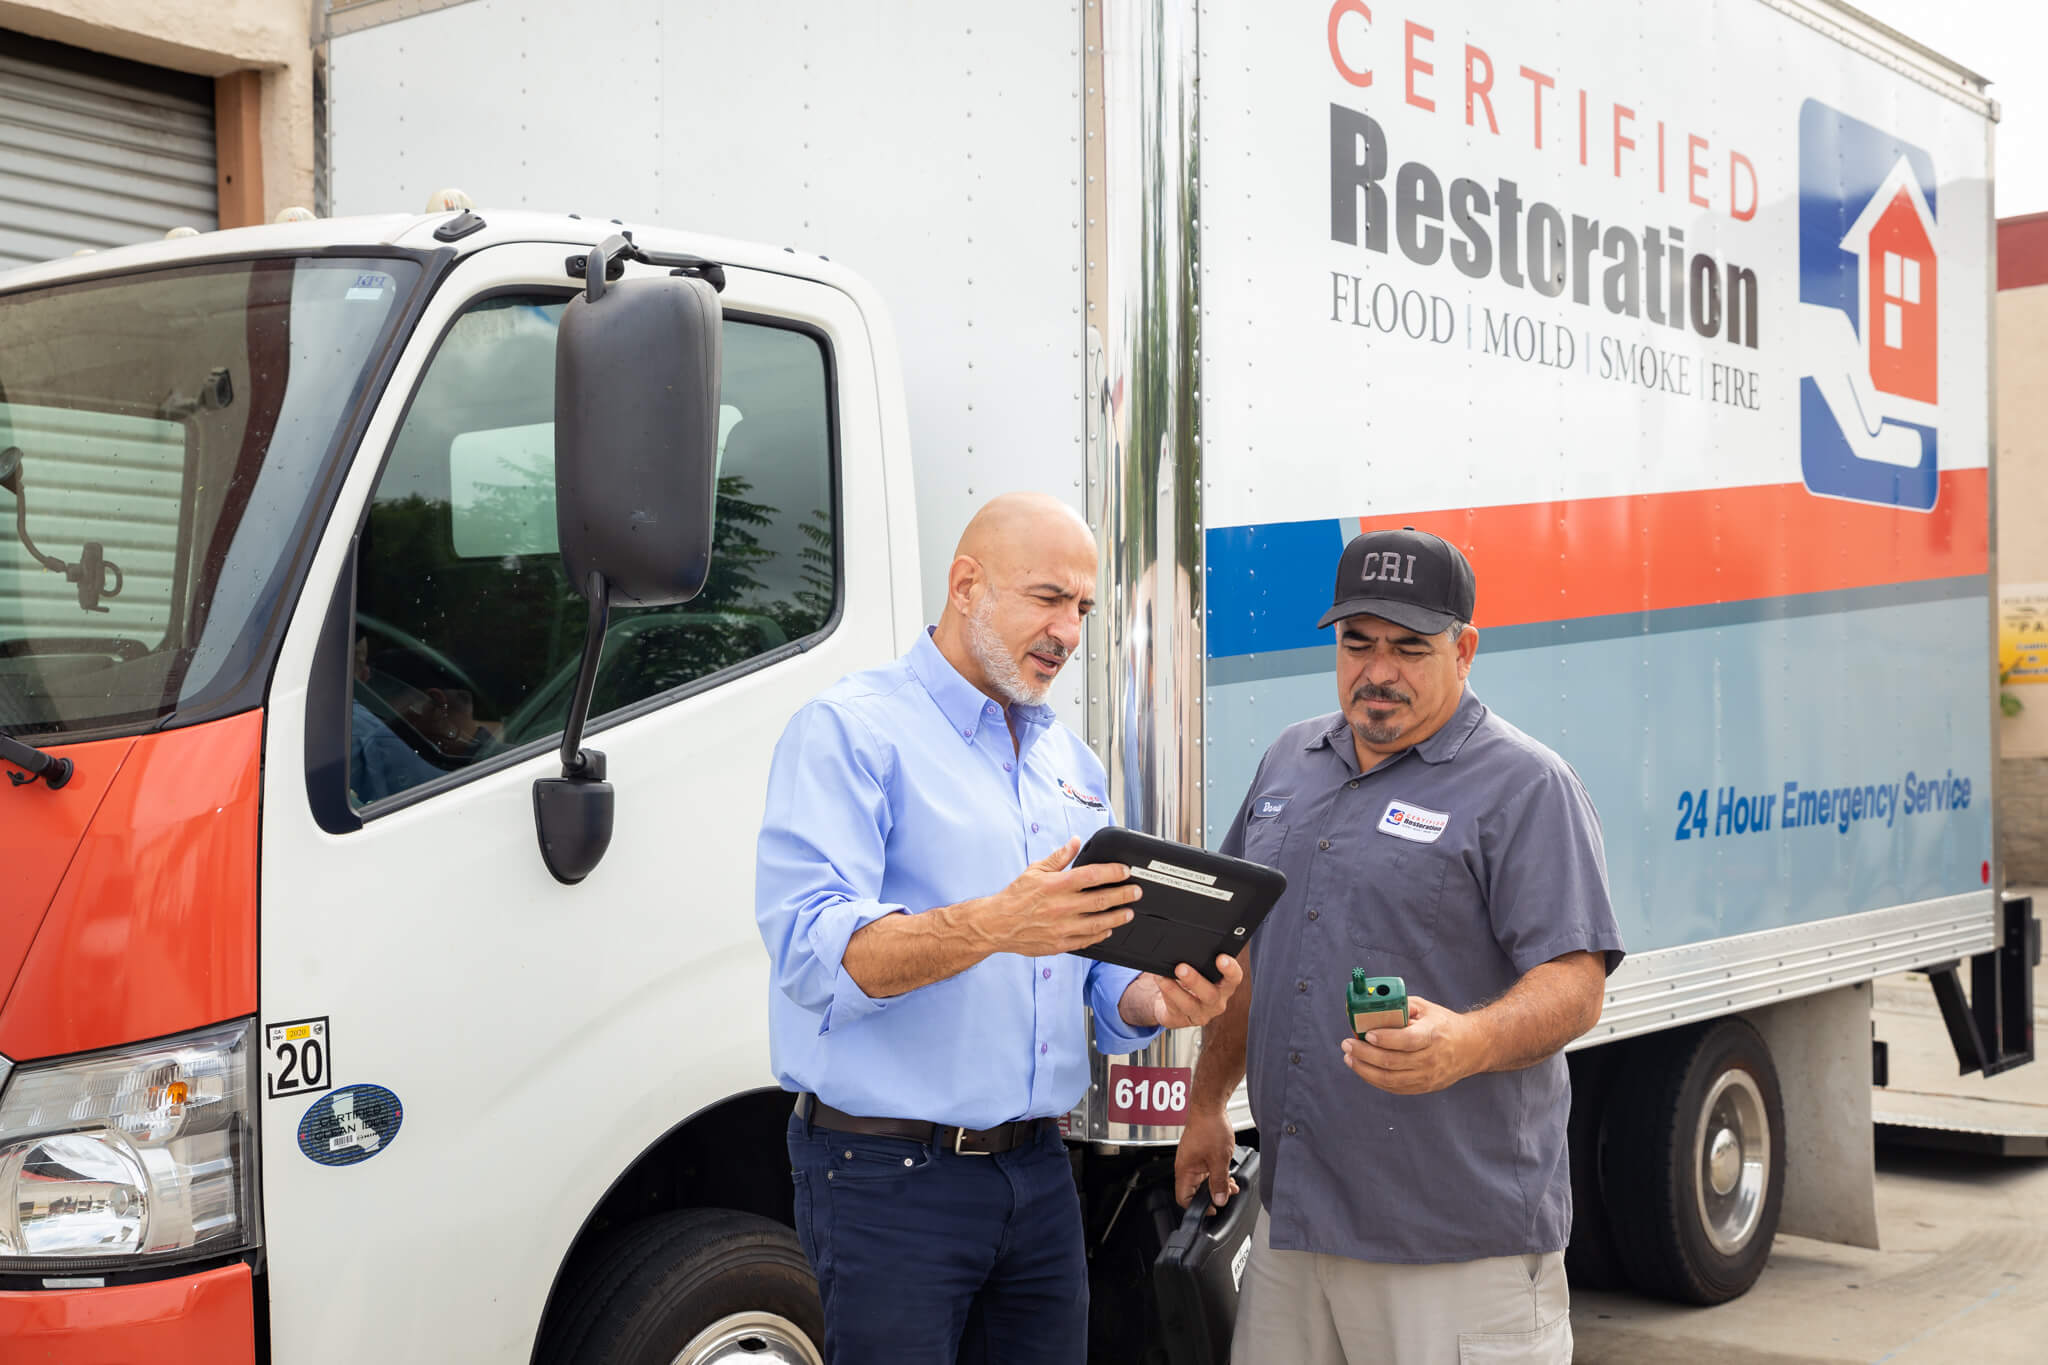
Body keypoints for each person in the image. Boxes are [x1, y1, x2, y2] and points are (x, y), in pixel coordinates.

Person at [754, 491, 1246, 1365]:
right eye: (1048, 597)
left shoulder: (1070, 761)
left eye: (1084, 609)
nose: (1069, 630)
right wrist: (993, 924)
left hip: (1039, 1175)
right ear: (966, 585)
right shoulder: (851, 731)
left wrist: (1154, 998)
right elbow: (810, 950)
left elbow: (1087, 966)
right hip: (885, 1177)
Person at [1174, 527, 1624, 1364]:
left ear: (1466, 649)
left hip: (1454, 1245)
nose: (1377, 671)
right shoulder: (1289, 761)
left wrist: (1467, 1041)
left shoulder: (1525, 785)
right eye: (1357, 643)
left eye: (1410, 648)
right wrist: (1208, 1102)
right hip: (1294, 1231)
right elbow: (1245, 957)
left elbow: (1576, 981)